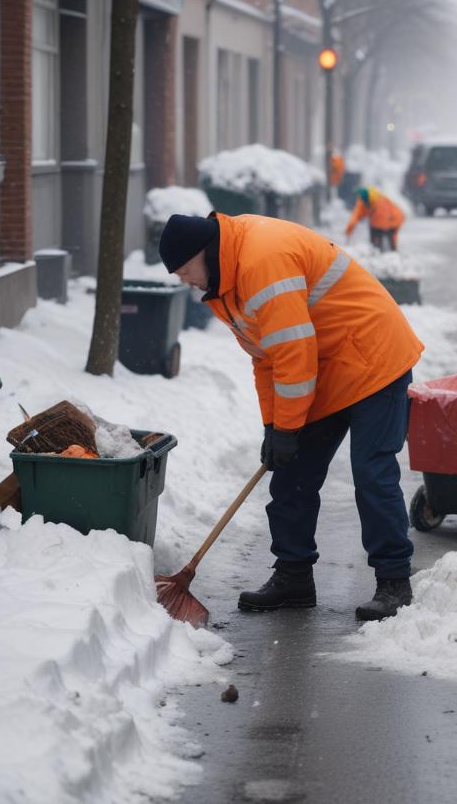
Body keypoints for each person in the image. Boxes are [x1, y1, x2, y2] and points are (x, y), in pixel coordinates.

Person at [158, 211, 423, 621]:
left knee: (371, 472)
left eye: (184, 270)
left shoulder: (262, 261)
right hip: (325, 365)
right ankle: (293, 576)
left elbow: (294, 354)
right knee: (291, 472)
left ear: (204, 253)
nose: (183, 280)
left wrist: (288, 425)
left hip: (374, 356)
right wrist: (274, 425)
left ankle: (393, 582)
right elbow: (266, 358)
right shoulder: (223, 287)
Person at [345, 186, 405, 252]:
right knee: (381, 236)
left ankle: (386, 252)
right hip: (391, 219)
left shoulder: (380, 202)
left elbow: (382, 221)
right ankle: (381, 250)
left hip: (394, 219)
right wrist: (349, 230)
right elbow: (356, 215)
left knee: (385, 236)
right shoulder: (363, 201)